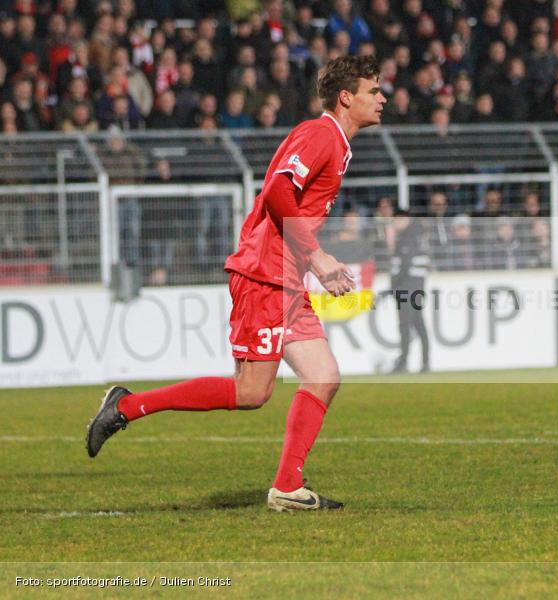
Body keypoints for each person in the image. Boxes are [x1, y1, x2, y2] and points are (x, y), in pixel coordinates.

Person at [86, 55, 387, 512]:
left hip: (287, 276)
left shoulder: (337, 143)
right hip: (265, 274)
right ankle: (126, 407)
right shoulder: (320, 134)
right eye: (374, 90)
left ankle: (288, 486)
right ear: (347, 97)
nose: (382, 98)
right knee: (251, 391)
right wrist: (319, 256)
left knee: (323, 376)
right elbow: (278, 193)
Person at [390, 210, 430, 373]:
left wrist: (394, 284)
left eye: (397, 220)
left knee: (405, 325)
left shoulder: (408, 236)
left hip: (407, 287)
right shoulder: (417, 234)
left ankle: (403, 362)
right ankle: (425, 362)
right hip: (416, 286)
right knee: (418, 324)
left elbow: (405, 264)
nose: (395, 224)